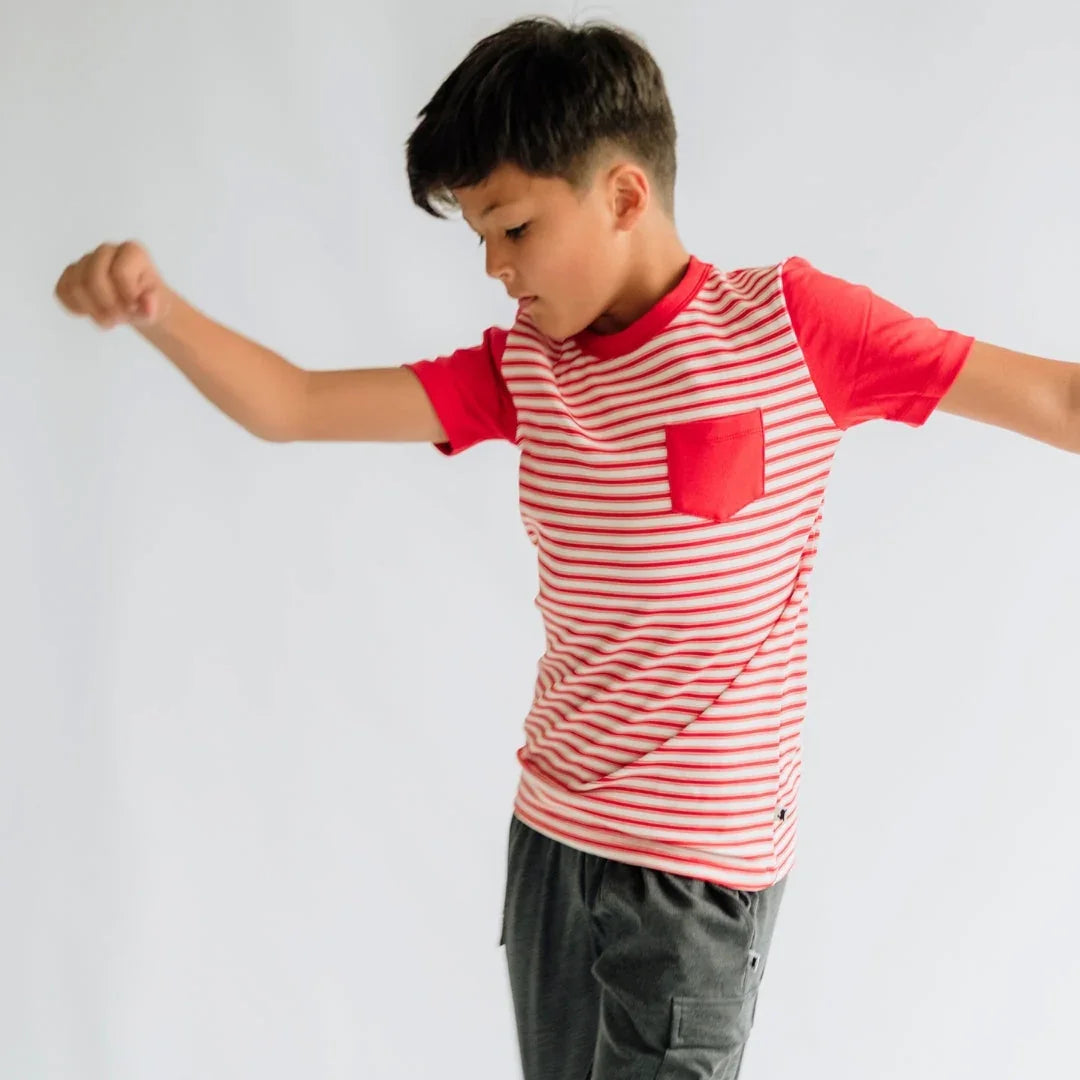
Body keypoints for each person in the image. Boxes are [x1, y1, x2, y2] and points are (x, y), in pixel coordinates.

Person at [52, 15, 1080, 1080]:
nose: (495, 266)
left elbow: (1057, 396)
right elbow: (294, 403)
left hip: (694, 879)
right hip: (551, 846)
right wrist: (157, 310)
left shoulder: (791, 327)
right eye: (480, 239)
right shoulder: (527, 372)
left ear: (625, 195)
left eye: (513, 228)